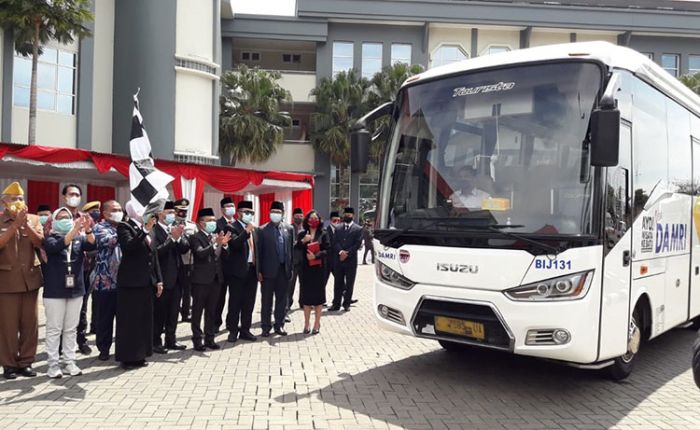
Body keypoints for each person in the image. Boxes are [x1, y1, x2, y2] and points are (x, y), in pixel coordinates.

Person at [42, 208, 95, 378]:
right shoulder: (49, 239)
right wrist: (75, 229)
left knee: (71, 328)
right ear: (55, 222)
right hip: (55, 291)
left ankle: (69, 362)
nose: (65, 220)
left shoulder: (78, 239)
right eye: (61, 218)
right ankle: (53, 364)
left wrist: (87, 229)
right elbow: (58, 245)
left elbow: (92, 244)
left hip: (76, 290)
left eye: (68, 218)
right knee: (54, 328)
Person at [0, 182, 43, 380]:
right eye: (14, 199)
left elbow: (40, 242)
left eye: (21, 198)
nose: (18, 202)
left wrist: (25, 225)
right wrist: (15, 225)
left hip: (30, 280)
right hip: (7, 281)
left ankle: (26, 362)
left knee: (30, 324)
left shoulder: (34, 219)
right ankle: (8, 364)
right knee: (8, 326)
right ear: (4, 202)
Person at [115, 200, 164, 370]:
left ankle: (141, 354)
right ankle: (127, 357)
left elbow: (154, 254)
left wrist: (159, 279)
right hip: (130, 282)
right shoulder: (124, 226)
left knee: (144, 320)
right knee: (129, 321)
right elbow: (129, 247)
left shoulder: (151, 228)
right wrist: (144, 231)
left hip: (146, 281)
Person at [189, 208, 231, 351]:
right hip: (200, 280)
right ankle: (197, 340)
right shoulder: (195, 237)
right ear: (201, 223)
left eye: (214, 220)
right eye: (210, 221)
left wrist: (224, 245)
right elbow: (200, 253)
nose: (213, 223)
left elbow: (224, 256)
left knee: (212, 311)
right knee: (197, 311)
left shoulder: (216, 236)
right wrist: (214, 244)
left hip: (216, 279)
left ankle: (210, 339)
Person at [152, 201, 189, 353]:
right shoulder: (154, 230)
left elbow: (185, 248)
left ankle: (171, 340)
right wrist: (172, 239)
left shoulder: (174, 228)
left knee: (174, 312)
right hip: (163, 277)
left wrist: (178, 238)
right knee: (160, 312)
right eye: (168, 212)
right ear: (160, 213)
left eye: (172, 213)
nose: (171, 215)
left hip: (178, 278)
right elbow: (156, 252)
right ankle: (155, 341)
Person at [92, 200, 123, 361]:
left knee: (123, 319)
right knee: (105, 318)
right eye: (114, 210)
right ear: (105, 213)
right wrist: (126, 231)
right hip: (105, 282)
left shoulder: (123, 226)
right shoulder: (99, 228)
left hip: (123, 281)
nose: (118, 212)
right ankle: (103, 349)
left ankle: (122, 348)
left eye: (120, 209)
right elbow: (110, 241)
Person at [257, 201, 294, 337]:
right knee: (266, 301)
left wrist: (290, 269)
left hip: (283, 271)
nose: (276, 214)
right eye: (274, 212)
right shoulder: (261, 230)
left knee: (281, 300)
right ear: (269, 213)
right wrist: (259, 271)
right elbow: (259, 253)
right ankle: (265, 327)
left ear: (283, 213)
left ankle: (279, 325)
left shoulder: (289, 229)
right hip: (267, 272)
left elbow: (290, 250)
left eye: (278, 212)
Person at [224, 200, 258, 344]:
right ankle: (233, 330)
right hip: (237, 272)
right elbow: (235, 244)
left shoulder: (255, 229)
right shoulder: (231, 227)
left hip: (252, 270)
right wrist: (246, 231)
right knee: (235, 302)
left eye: (251, 213)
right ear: (239, 213)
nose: (248, 215)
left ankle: (245, 329)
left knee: (249, 302)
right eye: (246, 212)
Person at [295, 210, 330, 335]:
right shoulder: (302, 233)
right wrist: (303, 241)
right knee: (306, 298)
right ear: (307, 220)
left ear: (319, 220)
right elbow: (296, 248)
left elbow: (327, 250)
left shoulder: (324, 233)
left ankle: (317, 323)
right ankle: (306, 323)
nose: (313, 220)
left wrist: (316, 256)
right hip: (306, 270)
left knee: (318, 298)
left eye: (316, 218)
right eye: (311, 218)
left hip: (319, 270)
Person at [330, 207, 363, 312]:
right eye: (346, 214)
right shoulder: (338, 228)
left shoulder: (358, 229)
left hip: (351, 260)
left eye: (350, 214)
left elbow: (357, 244)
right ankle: (336, 304)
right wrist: (340, 252)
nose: (347, 216)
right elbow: (334, 242)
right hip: (338, 259)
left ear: (353, 216)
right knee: (338, 282)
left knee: (349, 283)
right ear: (343, 215)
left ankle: (347, 304)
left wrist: (347, 253)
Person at [214, 197, 237, 332]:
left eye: (232, 206)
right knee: (219, 297)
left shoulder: (239, 224)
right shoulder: (217, 224)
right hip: (222, 266)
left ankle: (231, 323)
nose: (231, 209)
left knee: (234, 298)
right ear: (222, 209)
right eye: (228, 206)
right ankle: (216, 323)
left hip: (236, 266)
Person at [174, 199, 197, 322]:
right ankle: (174, 311)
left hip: (188, 261)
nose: (183, 213)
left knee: (187, 288)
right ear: (175, 211)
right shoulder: (171, 224)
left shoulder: (191, 225)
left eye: (185, 211)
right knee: (176, 289)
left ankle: (186, 312)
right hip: (175, 261)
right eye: (181, 210)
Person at [81, 201, 101, 340]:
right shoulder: (84, 225)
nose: (96, 212)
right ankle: (82, 328)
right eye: (94, 210)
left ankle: (95, 325)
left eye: (98, 210)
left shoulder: (99, 226)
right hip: (86, 266)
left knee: (97, 298)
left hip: (97, 266)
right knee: (84, 298)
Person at [288, 207, 305, 312]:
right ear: (293, 217)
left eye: (301, 216)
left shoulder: (306, 228)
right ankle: (288, 304)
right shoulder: (289, 228)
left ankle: (303, 303)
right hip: (293, 261)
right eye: (297, 216)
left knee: (304, 283)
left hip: (304, 261)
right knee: (291, 284)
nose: (299, 218)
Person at [322, 211, 341, 289]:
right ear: (330, 221)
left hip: (337, 260)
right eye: (334, 220)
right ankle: (319, 298)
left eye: (338, 221)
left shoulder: (341, 231)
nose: (336, 222)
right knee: (323, 281)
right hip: (327, 260)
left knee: (340, 280)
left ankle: (346, 297)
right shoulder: (325, 231)